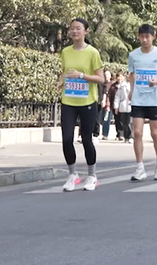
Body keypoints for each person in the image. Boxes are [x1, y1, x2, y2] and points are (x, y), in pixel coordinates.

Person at [58, 18, 105, 192]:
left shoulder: (92, 53)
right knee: (67, 139)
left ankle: (92, 175)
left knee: (86, 139)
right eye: (72, 28)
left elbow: (100, 79)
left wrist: (81, 76)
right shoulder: (65, 52)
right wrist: (61, 81)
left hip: (87, 102)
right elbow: (64, 71)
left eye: (78, 28)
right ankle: (72, 174)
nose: (74, 31)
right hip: (68, 101)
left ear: (86, 31)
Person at [127, 24, 157, 181]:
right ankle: (140, 167)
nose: (145, 40)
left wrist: (156, 81)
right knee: (137, 132)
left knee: (154, 133)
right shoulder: (133, 55)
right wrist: (131, 91)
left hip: (155, 99)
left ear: (153, 36)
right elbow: (131, 74)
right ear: (138, 37)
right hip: (138, 98)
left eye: (147, 36)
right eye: (142, 36)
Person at [114, 74, 133, 143]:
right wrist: (116, 107)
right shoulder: (122, 85)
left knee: (130, 122)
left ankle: (131, 136)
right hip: (123, 105)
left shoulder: (134, 84)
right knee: (124, 123)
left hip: (132, 105)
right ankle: (126, 137)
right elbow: (117, 97)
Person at [110, 73, 125, 141]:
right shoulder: (113, 86)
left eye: (120, 76)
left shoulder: (126, 85)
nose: (119, 78)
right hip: (115, 105)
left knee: (123, 120)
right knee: (117, 120)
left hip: (123, 105)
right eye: (118, 77)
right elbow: (110, 95)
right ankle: (119, 133)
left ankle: (123, 134)